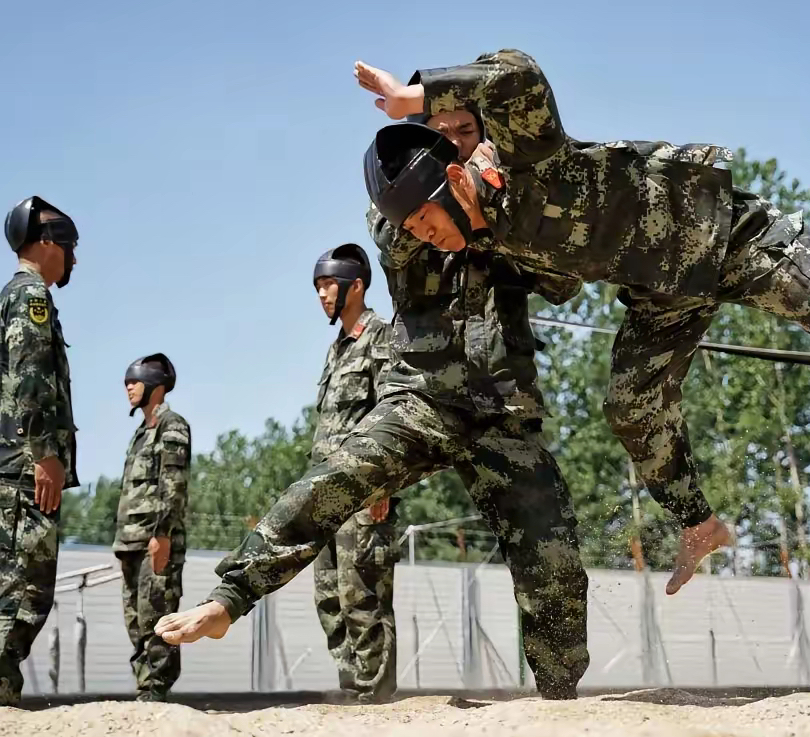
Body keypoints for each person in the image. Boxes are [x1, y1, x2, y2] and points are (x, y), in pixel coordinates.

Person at [356, 49, 810, 593]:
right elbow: (477, 317)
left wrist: (414, 95)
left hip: (727, 238)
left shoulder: (530, 156)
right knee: (632, 406)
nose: (454, 139)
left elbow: (516, 73)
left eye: (460, 126)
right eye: (442, 134)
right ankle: (700, 524)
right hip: (663, 292)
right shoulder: (482, 231)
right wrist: (392, 462)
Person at [156, 115, 592, 698]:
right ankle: (228, 598)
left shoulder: (507, 207)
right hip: (424, 399)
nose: (423, 228)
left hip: (503, 412)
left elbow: (565, 283)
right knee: (331, 481)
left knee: (552, 557)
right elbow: (393, 233)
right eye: (441, 130)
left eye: (464, 128)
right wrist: (464, 198)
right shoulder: (398, 215)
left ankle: (560, 698)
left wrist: (502, 210)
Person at [308, 243, 398, 704]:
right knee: (328, 597)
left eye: (329, 285)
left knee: (362, 595)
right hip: (324, 493)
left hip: (363, 492)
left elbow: (391, 411)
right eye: (318, 287)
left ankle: (374, 696)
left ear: (356, 286)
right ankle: (352, 690)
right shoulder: (336, 349)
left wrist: (381, 483)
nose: (322, 294)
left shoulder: (380, 335)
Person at [0, 196, 79, 706]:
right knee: (24, 590)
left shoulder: (15, 295)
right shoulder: (31, 295)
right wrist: (45, 454)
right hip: (24, 470)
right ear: (48, 242)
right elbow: (30, 378)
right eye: (70, 247)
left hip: (14, 466)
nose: (74, 259)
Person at [113, 353, 191, 702]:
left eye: (135, 381)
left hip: (154, 541)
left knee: (156, 618)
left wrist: (162, 535)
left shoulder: (171, 426)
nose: (129, 388)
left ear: (156, 387)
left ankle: (155, 691)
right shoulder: (139, 434)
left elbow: (173, 485)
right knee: (135, 621)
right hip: (130, 542)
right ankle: (144, 689)